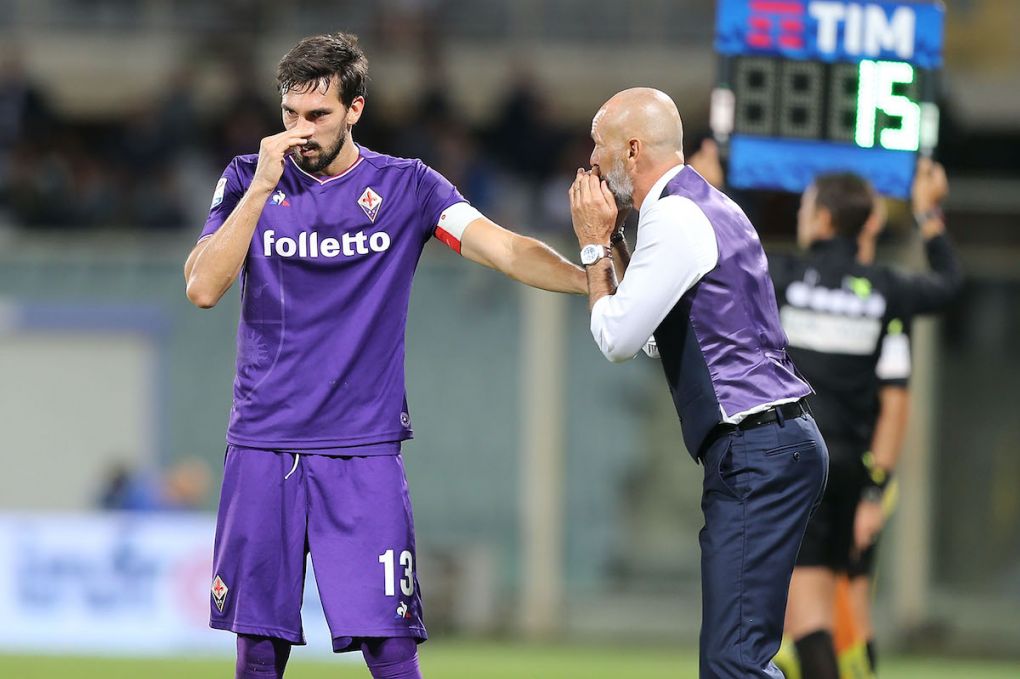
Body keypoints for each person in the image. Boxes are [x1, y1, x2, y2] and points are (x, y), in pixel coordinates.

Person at [183, 33, 586, 679]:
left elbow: (503, 248)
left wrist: (595, 278)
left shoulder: (408, 188)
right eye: (289, 114)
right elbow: (203, 287)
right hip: (264, 440)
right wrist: (259, 189)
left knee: (390, 645)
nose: (299, 130)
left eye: (317, 115)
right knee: (258, 647)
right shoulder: (243, 179)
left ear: (355, 109)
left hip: (362, 449)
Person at [568, 87, 828, 679]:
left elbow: (617, 337)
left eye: (599, 147)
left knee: (733, 663)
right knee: (737, 658)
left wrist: (590, 245)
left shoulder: (675, 216)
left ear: (631, 150)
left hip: (756, 449)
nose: (591, 163)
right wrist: (613, 243)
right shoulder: (706, 204)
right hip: (775, 442)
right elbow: (666, 334)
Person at [688, 143, 962, 678]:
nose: (800, 215)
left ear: (826, 218)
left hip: (798, 460)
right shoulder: (886, 289)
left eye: (807, 207)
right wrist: (929, 213)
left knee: (808, 621)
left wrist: (711, 190)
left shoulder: (784, 277)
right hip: (857, 474)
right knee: (848, 617)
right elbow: (949, 285)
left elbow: (726, 252)